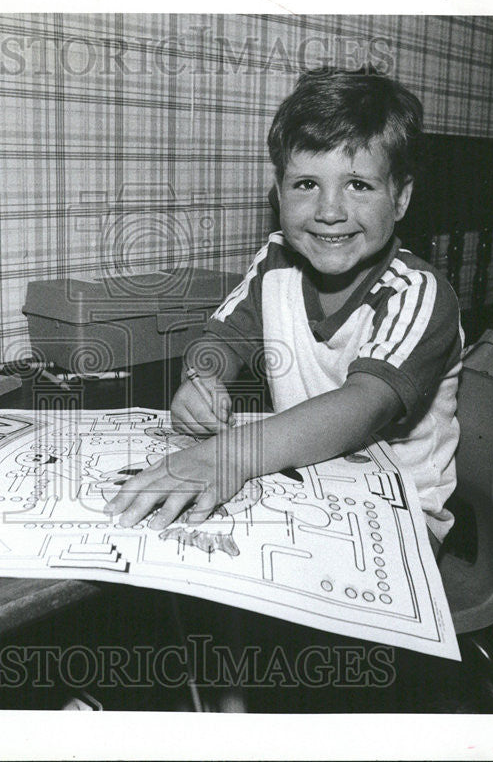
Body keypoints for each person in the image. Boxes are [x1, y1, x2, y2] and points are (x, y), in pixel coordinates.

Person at [106, 67, 462, 544]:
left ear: (400, 198)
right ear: (278, 192)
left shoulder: (418, 292)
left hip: (401, 511)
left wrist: (230, 455)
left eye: (359, 185)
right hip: (300, 479)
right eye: (306, 185)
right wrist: (202, 378)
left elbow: (362, 407)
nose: (330, 211)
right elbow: (219, 339)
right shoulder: (275, 261)